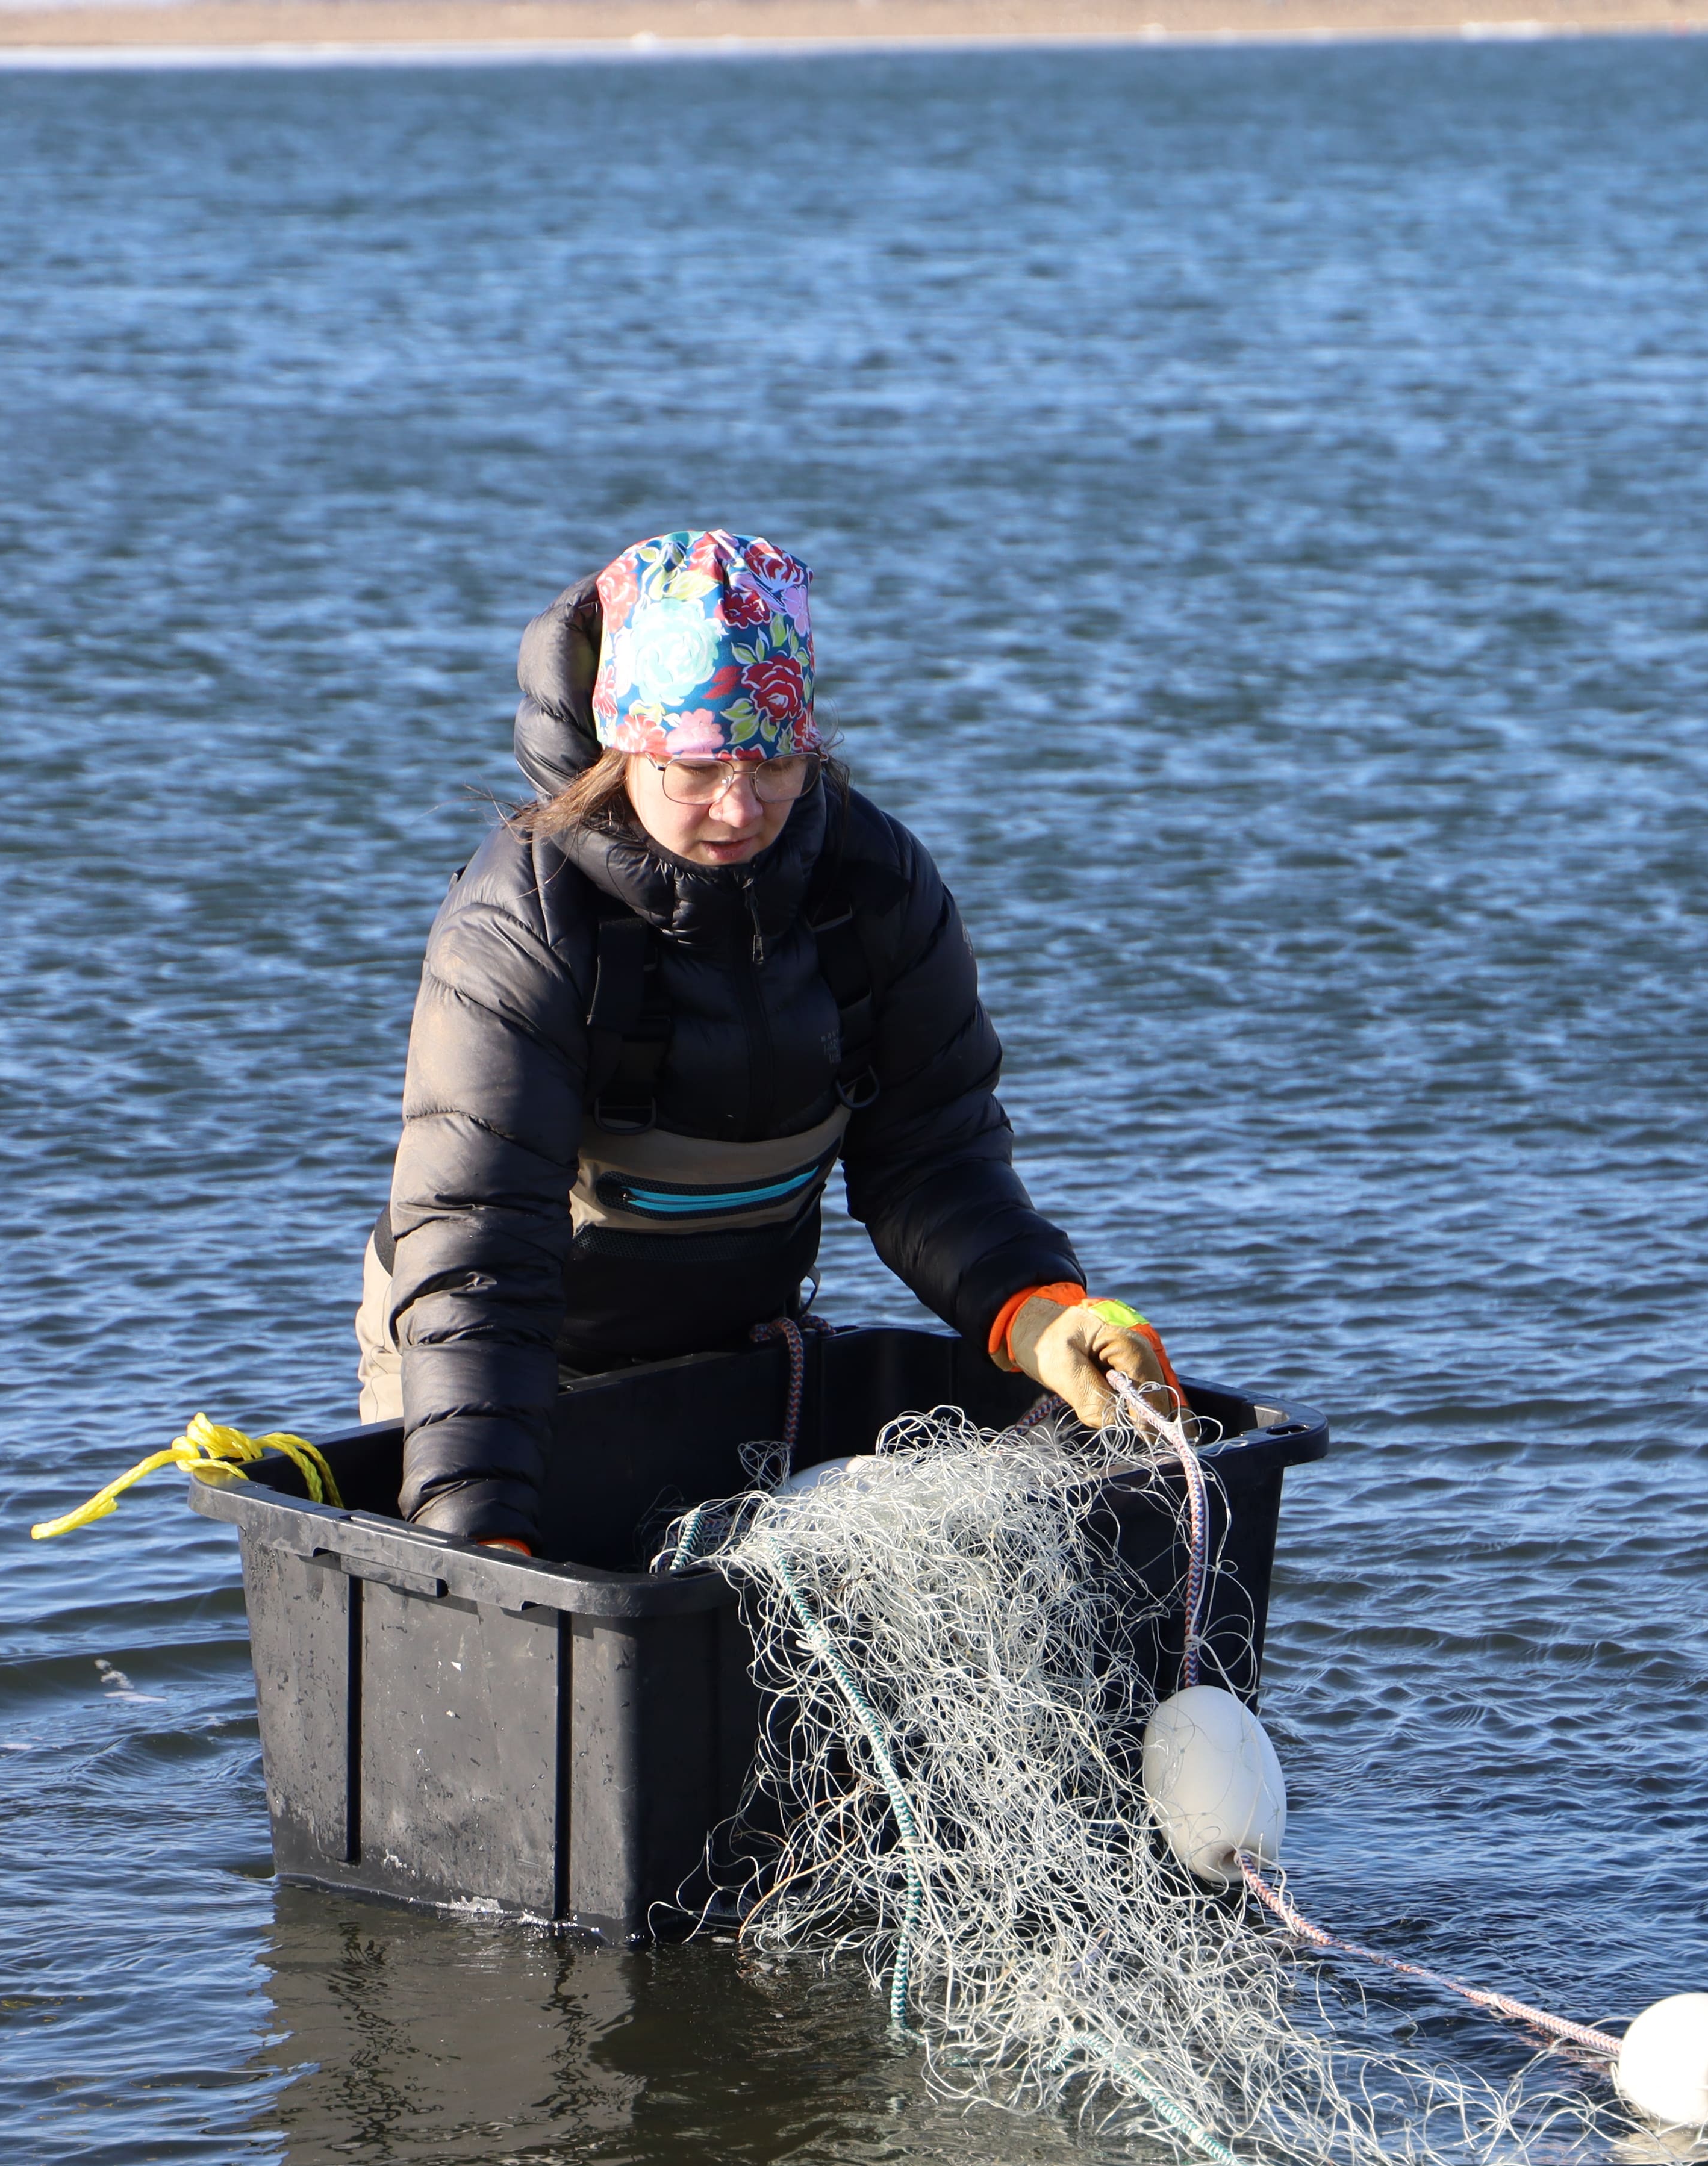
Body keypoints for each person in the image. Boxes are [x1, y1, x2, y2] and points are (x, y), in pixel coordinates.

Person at [355, 530, 1174, 1557]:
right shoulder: (518, 930)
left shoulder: (875, 886)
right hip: (499, 1371)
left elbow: (934, 1158)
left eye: (774, 761)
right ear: (625, 749)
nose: (740, 809)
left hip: (729, 1359)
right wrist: (479, 1533)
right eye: (696, 769)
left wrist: (1037, 1311)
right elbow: (480, 1254)